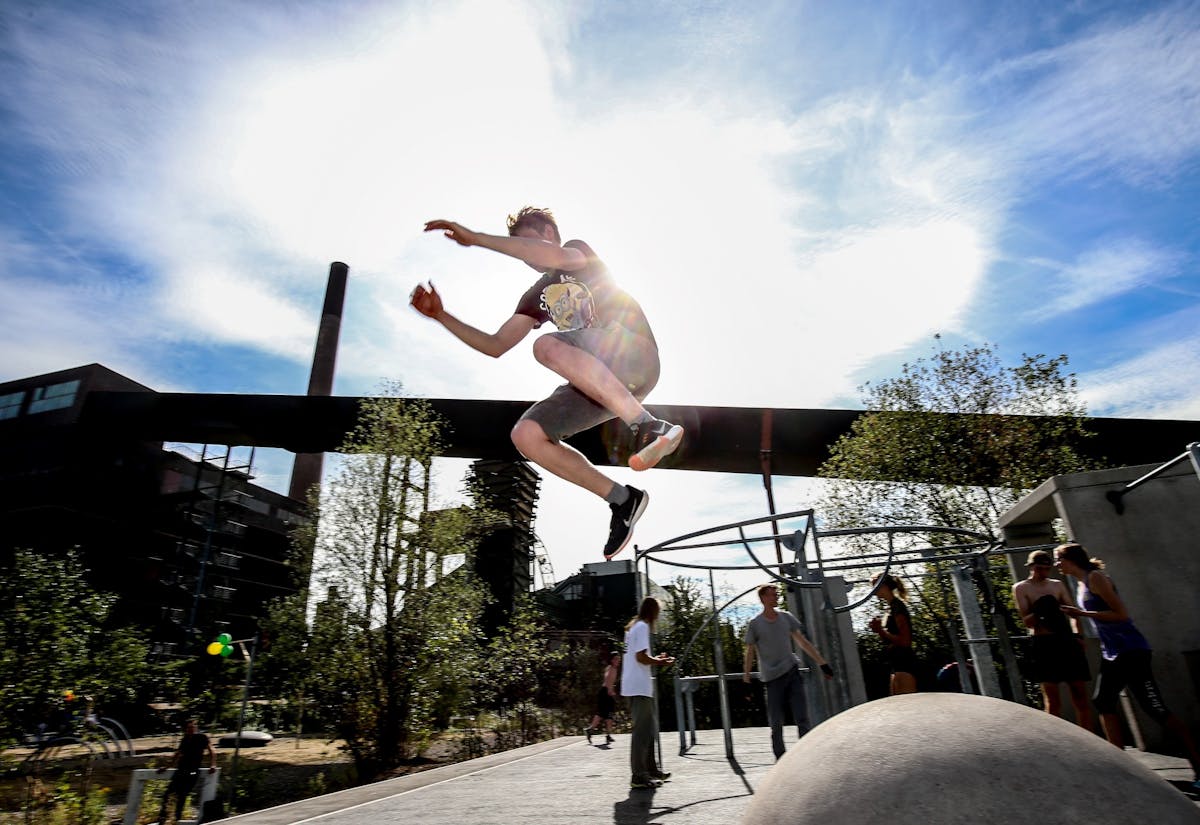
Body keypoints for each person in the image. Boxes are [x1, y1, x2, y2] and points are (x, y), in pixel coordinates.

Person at [414, 208, 683, 559]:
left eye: (527, 241)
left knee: (545, 345)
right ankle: (622, 500)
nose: (525, 256)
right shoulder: (534, 297)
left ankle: (647, 426)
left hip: (631, 351)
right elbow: (496, 345)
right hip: (601, 384)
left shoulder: (576, 253)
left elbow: (551, 255)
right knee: (526, 436)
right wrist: (441, 316)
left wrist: (477, 239)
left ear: (548, 232)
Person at [1056, 543, 1200, 788]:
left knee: (1155, 709)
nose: (1057, 565)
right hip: (1112, 652)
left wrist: (1082, 614)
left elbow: (1121, 614)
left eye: (1059, 560)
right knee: (1103, 701)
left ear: (1072, 560)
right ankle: (1119, 765)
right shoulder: (1081, 584)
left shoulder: (1096, 579)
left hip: (1131, 650)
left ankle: (1198, 766)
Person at [742, 583, 834, 759]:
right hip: (771, 677)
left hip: (792, 672)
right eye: (772, 595)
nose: (776, 597)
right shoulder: (756, 623)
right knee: (776, 722)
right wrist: (746, 679)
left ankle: (806, 756)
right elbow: (750, 652)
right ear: (763, 598)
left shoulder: (786, 618)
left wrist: (823, 664)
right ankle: (781, 759)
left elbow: (802, 642)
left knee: (802, 717)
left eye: (776, 594)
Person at [1012, 549, 1094, 729]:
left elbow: (1074, 613)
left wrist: (1078, 635)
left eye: (1046, 569)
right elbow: (1027, 621)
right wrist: (1042, 609)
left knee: (1080, 695)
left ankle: (1090, 739)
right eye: (1039, 568)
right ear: (1031, 567)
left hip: (1065, 640)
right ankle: (1057, 743)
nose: (1043, 572)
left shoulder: (1056, 585)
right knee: (1052, 699)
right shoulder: (1021, 587)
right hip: (1043, 644)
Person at [621, 597, 674, 789]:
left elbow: (639, 657)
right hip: (639, 686)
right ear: (653, 612)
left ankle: (650, 770)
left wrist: (656, 659)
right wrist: (661, 662)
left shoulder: (633, 628)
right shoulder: (642, 627)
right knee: (642, 732)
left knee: (649, 729)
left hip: (635, 685)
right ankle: (638, 775)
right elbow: (641, 657)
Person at [157, 719, 216, 824]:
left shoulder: (202, 738)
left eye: (192, 728)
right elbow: (177, 754)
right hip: (181, 769)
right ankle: (163, 816)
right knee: (168, 792)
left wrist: (212, 764)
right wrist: (166, 767)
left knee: (183, 794)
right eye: (188, 728)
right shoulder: (185, 739)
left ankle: (177, 818)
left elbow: (211, 751)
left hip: (192, 770)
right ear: (186, 730)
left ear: (196, 728)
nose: (190, 730)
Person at [868, 573, 918, 694]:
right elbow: (890, 638)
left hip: (904, 662)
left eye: (875, 586)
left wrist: (881, 630)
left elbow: (905, 641)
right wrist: (878, 630)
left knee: (907, 705)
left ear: (884, 586)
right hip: (895, 663)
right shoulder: (889, 609)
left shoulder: (897, 607)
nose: (873, 591)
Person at [586, 651, 620, 745]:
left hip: (607, 692)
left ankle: (604, 734)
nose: (618, 661)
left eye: (618, 659)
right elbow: (607, 678)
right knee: (603, 714)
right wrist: (610, 690)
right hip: (605, 693)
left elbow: (610, 681)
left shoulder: (614, 668)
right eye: (616, 659)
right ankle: (592, 730)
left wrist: (611, 690)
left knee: (606, 714)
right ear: (612, 660)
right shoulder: (610, 668)